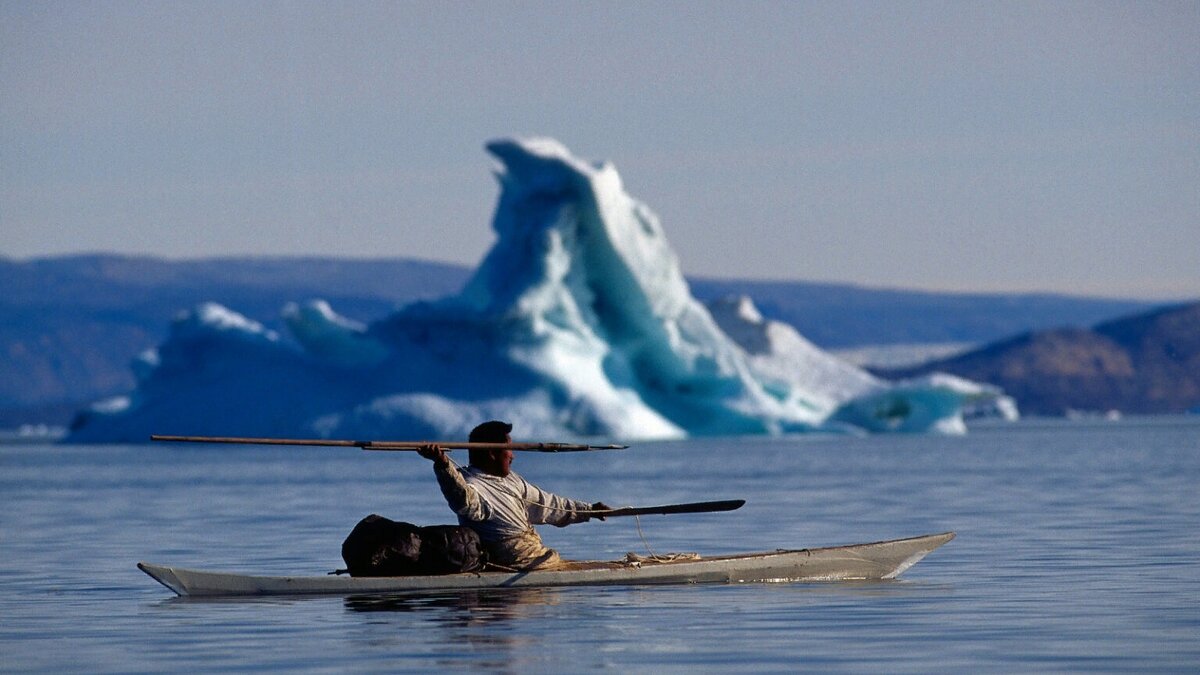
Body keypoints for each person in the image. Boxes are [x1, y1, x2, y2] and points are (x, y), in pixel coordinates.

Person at [417, 420, 610, 570]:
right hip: (515, 563)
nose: (513, 455)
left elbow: (549, 505)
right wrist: (442, 464)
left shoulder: (512, 481)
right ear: (493, 453)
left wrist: (590, 510)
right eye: (509, 449)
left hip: (537, 558)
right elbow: (463, 502)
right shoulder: (472, 484)